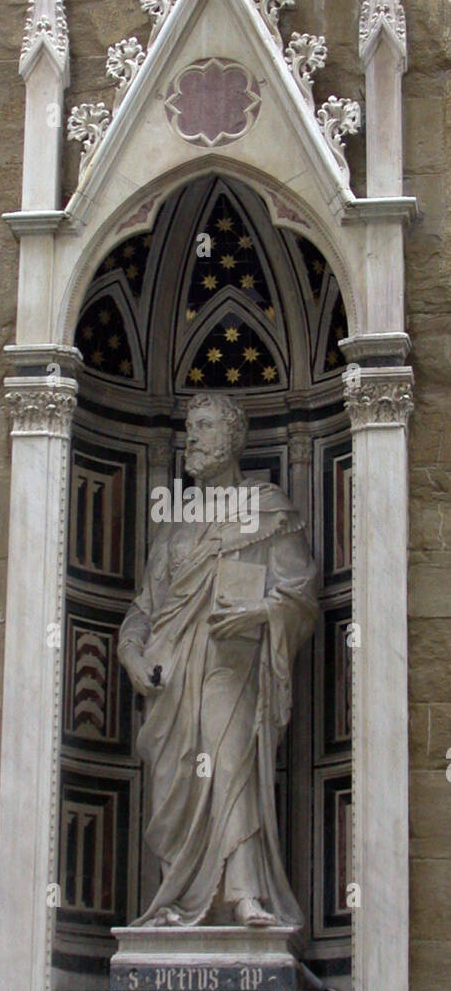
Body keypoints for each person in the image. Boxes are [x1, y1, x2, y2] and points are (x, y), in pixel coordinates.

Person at [118, 392, 318, 928]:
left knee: (230, 764)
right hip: (171, 675)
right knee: (174, 780)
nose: (194, 438)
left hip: (231, 665)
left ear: (232, 437)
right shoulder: (175, 525)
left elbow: (300, 594)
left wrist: (260, 613)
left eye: (205, 427)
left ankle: (244, 893)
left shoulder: (269, 508)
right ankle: (177, 903)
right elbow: (143, 610)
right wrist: (131, 654)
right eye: (189, 427)